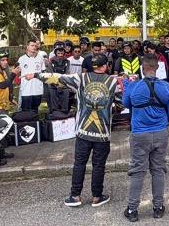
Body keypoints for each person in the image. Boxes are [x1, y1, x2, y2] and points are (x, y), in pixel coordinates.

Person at [28, 54, 118, 208]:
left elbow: (57, 78)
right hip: (102, 133)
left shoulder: (80, 78)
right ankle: (97, 197)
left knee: (79, 164)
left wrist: (36, 75)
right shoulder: (114, 81)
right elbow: (130, 89)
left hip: (83, 131)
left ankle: (75, 196)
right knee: (99, 165)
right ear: (105, 66)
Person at [122, 54, 169, 222]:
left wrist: (126, 84)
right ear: (157, 68)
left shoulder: (134, 87)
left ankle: (133, 210)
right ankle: (158, 207)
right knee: (158, 170)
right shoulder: (167, 87)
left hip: (140, 134)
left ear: (142, 68)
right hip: (161, 133)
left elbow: (126, 103)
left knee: (137, 172)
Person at [17, 39, 47, 113]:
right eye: (32, 45)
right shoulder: (21, 59)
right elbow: (17, 72)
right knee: (25, 112)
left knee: (35, 111)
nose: (34, 47)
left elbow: (43, 73)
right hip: (26, 90)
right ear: (27, 47)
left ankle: (35, 124)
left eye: (35, 46)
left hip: (37, 90)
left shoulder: (40, 58)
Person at [0, 50, 20, 116]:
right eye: (3, 60)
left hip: (4, 106)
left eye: (6, 60)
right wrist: (13, 74)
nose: (6, 62)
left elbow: (8, 84)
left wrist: (10, 99)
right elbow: (3, 85)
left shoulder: (3, 72)